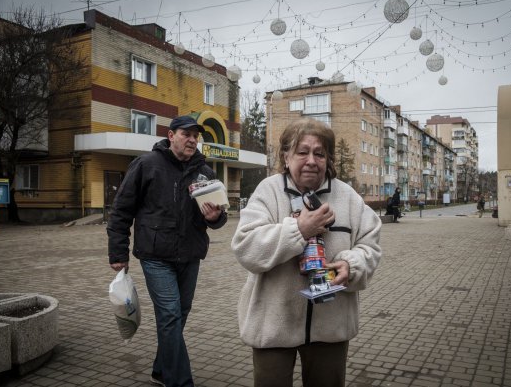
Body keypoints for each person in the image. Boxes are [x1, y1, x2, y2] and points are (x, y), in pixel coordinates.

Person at [231, 118, 382, 387]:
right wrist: (299, 230)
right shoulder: (268, 191)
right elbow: (246, 247)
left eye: (319, 153)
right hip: (273, 325)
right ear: (286, 157)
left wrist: (352, 265)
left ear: (329, 159)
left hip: (331, 327)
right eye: (302, 152)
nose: (311, 160)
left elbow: (370, 245)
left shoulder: (347, 196)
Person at [107, 114, 227, 387]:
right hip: (155, 255)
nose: (192, 140)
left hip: (191, 255)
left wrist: (213, 218)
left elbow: (220, 219)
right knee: (170, 315)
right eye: (186, 134)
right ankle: (181, 382)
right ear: (171, 135)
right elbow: (121, 211)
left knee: (180, 314)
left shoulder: (205, 173)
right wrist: (118, 253)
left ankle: (161, 370)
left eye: (196, 136)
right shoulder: (146, 164)